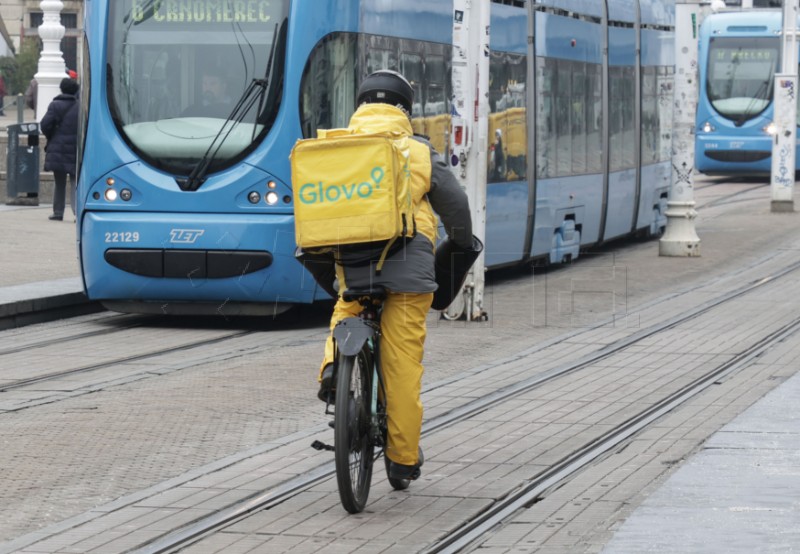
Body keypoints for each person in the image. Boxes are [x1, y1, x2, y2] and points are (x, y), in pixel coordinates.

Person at [310, 70, 475, 481]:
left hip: (352, 262)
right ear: (406, 109)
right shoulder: (417, 151)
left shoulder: (337, 147)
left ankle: (334, 366)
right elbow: (454, 205)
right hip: (408, 272)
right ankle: (402, 458)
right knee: (401, 362)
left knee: (346, 309)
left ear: (360, 105)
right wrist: (460, 240)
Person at [41, 78, 79, 221]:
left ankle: (58, 212)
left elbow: (45, 125)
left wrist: (52, 136)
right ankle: (77, 212)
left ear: (61, 89)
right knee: (75, 181)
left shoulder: (55, 105)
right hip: (75, 149)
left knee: (59, 182)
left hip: (57, 148)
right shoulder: (79, 106)